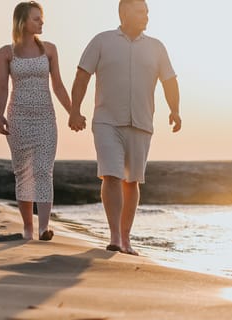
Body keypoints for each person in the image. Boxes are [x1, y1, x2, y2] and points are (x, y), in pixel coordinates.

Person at [69, 0, 181, 255]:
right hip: (107, 120)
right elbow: (82, 76)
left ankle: (126, 238)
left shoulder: (156, 47)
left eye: (147, 12)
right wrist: (75, 110)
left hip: (141, 122)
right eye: (141, 11)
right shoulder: (102, 41)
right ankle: (115, 237)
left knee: (132, 181)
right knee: (111, 174)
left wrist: (175, 110)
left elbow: (170, 81)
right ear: (124, 12)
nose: (146, 16)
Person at [0, 1, 83, 241]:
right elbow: (2, 87)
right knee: (23, 173)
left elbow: (58, 86)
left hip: (45, 118)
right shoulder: (6, 53)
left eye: (41, 18)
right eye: (36, 18)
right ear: (22, 22)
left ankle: (44, 227)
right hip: (18, 119)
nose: (41, 22)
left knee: (44, 171)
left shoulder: (50, 50)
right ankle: (28, 228)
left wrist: (73, 112)